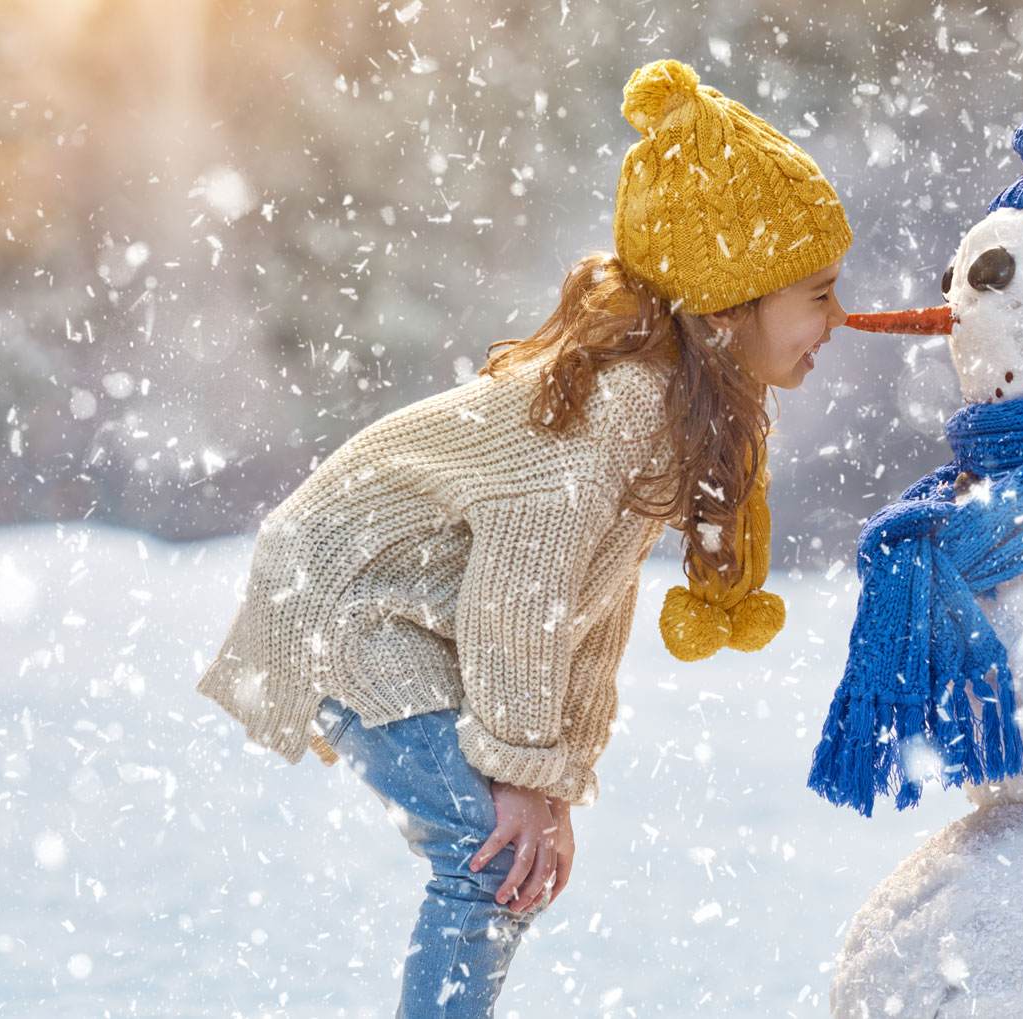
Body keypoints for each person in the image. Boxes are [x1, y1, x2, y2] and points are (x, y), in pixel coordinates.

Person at [196, 57, 850, 1018]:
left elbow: (591, 601)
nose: (838, 318)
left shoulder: (677, 401)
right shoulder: (626, 404)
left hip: (424, 609)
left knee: (508, 862)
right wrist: (522, 781)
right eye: (818, 293)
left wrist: (555, 782)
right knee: (486, 857)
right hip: (350, 594)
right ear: (729, 299)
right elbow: (522, 593)